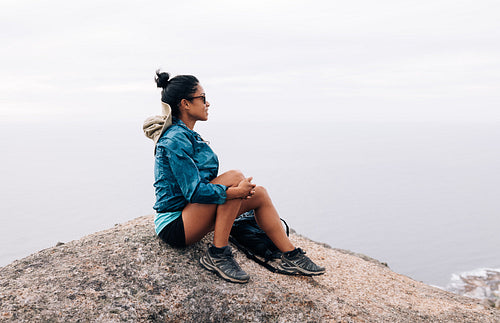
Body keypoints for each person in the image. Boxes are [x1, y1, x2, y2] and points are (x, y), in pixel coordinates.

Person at [143, 70, 325, 283]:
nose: (207, 103)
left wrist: (235, 192)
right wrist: (234, 192)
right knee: (235, 178)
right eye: (202, 98)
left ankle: (291, 255)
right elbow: (193, 192)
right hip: (175, 224)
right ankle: (218, 254)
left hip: (192, 214)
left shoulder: (186, 134)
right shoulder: (175, 139)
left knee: (260, 194)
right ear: (185, 104)